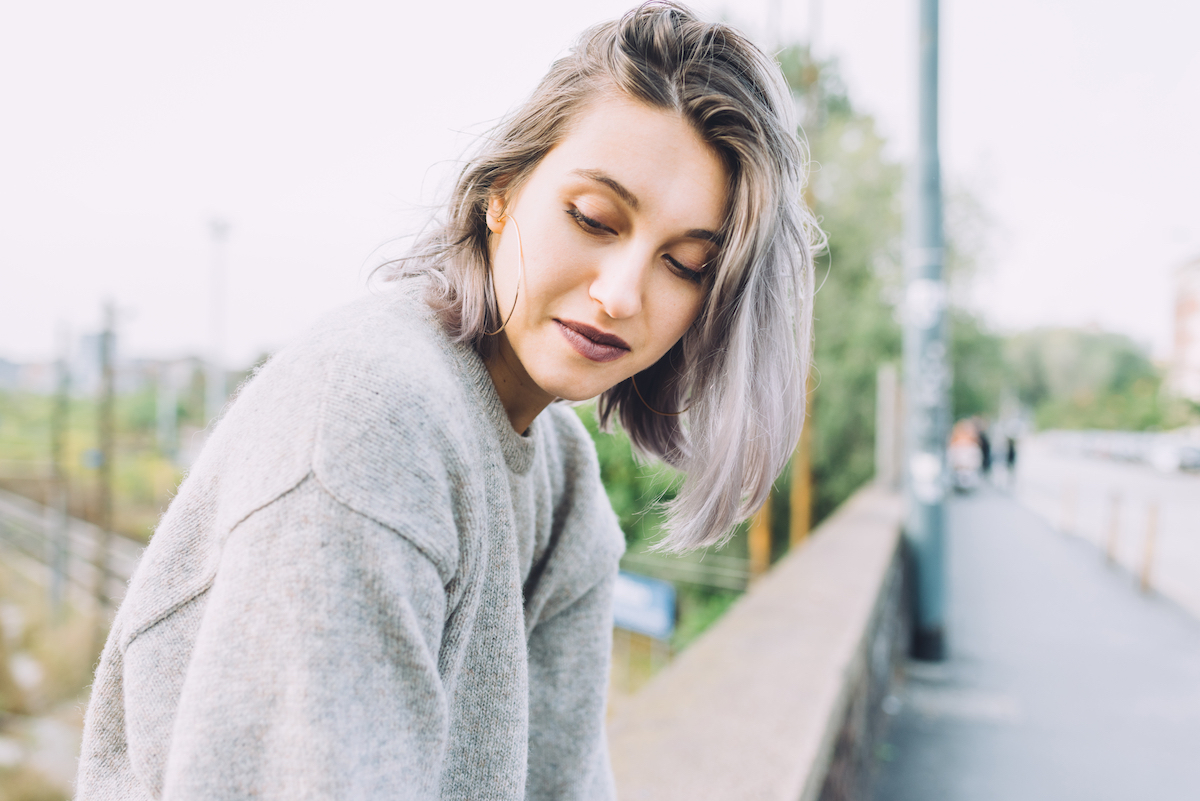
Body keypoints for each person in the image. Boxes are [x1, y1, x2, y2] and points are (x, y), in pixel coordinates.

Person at [75, 3, 816, 799]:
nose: (622, 293)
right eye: (594, 218)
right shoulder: (366, 420)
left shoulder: (565, 484)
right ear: (501, 195)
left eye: (686, 265)